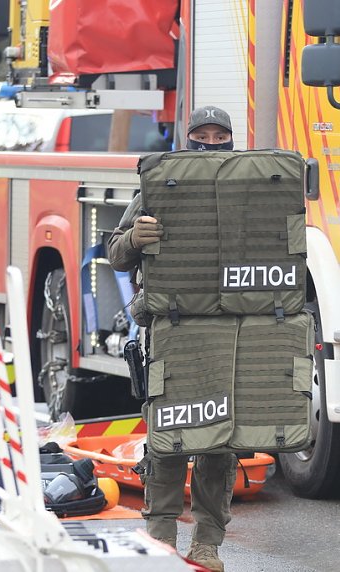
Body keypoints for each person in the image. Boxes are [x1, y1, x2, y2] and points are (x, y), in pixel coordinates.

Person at [107, 106, 236, 572]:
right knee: (168, 436)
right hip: (171, 327)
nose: (210, 141)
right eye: (201, 134)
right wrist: (136, 238)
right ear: (188, 139)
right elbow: (116, 255)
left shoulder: (249, 184)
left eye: (219, 135)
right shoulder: (159, 183)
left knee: (220, 442)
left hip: (232, 328)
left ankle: (207, 543)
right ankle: (159, 538)